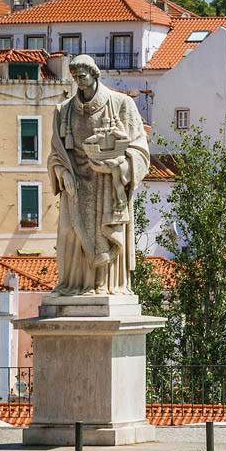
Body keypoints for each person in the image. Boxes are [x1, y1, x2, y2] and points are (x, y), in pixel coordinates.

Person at [48, 55, 152, 296]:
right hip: (76, 186)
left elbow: (140, 150)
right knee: (70, 235)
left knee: (104, 234)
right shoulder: (63, 111)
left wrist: (118, 167)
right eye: (74, 78)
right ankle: (74, 285)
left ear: (94, 74)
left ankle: (104, 286)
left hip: (107, 184)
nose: (79, 82)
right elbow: (56, 154)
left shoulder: (121, 104)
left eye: (82, 76)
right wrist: (62, 173)